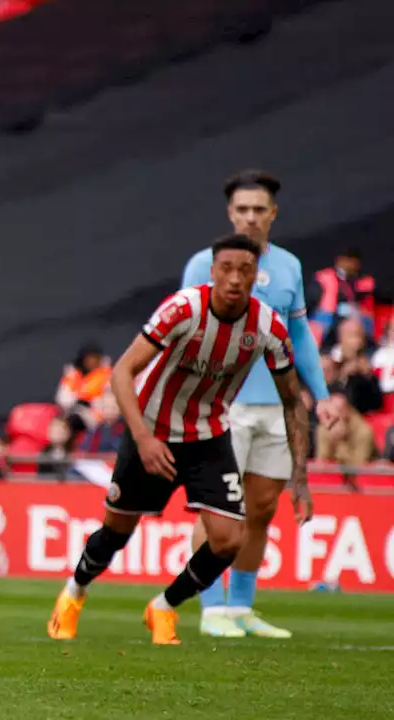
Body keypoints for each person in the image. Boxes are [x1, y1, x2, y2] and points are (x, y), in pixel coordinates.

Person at [49, 233, 312, 645]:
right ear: (212, 273)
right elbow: (122, 373)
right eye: (226, 268)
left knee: (229, 539)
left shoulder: (267, 327)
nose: (235, 278)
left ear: (256, 275)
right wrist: (143, 438)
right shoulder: (184, 309)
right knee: (116, 531)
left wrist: (301, 475)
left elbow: (292, 401)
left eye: (245, 270)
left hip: (208, 435)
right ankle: (75, 591)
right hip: (151, 429)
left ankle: (164, 607)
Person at [179, 170, 334, 639]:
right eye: (241, 209)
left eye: (258, 209)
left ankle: (240, 607)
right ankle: (210, 608)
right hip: (220, 405)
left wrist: (321, 396)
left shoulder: (288, 266)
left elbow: (301, 336)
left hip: (276, 406)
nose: (249, 217)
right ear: (230, 214)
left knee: (261, 510)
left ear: (273, 214)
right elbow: (178, 330)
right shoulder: (202, 264)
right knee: (217, 509)